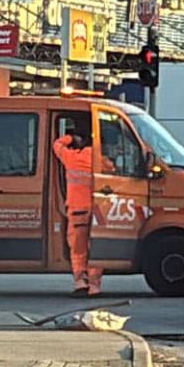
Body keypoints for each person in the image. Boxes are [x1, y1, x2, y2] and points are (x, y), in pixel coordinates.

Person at [52, 122, 106, 296]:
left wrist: (70, 138)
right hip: (98, 211)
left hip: (78, 210)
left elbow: (57, 145)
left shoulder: (71, 157)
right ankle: (95, 285)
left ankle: (80, 282)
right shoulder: (100, 160)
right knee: (96, 247)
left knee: (78, 249)